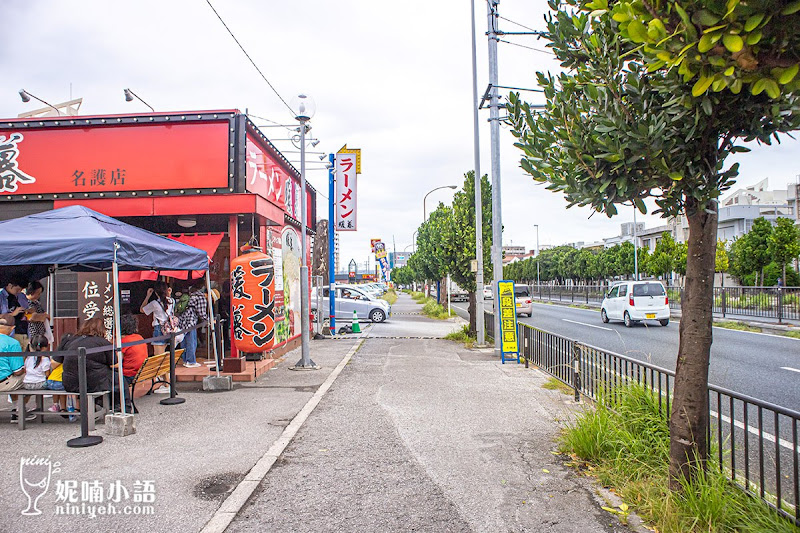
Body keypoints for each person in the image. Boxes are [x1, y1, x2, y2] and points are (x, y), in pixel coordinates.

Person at [53, 317, 115, 394]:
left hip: (69, 384)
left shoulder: (69, 340)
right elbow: (114, 364)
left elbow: (54, 362)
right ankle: (121, 405)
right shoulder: (103, 342)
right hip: (95, 384)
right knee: (117, 379)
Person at [0, 318, 33, 422]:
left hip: (6, 379)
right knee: (30, 378)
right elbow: (17, 371)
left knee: (11, 377)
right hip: (3, 382)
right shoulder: (12, 343)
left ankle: (15, 407)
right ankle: (19, 410)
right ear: (12, 328)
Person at [177, 284, 210, 368]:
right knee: (192, 341)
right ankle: (191, 361)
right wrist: (208, 320)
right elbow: (201, 313)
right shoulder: (201, 297)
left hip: (181, 320)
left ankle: (185, 359)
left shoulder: (190, 295)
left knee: (184, 341)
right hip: (190, 321)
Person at [140, 281, 177, 356]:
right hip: (169, 329)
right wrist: (169, 293)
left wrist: (148, 296)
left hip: (159, 329)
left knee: (158, 355)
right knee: (167, 355)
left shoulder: (154, 303)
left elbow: (142, 310)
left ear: (156, 292)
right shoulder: (172, 301)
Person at [120, 314, 148, 408]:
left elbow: (117, 361)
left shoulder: (124, 342)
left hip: (129, 375)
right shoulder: (139, 337)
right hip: (141, 372)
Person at [0, 281, 30, 351]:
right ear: (10, 285)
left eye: (21, 290)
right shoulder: (1, 297)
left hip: (24, 330)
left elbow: (27, 308)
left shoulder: (21, 296)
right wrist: (12, 314)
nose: (19, 292)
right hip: (9, 333)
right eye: (17, 289)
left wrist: (28, 311)